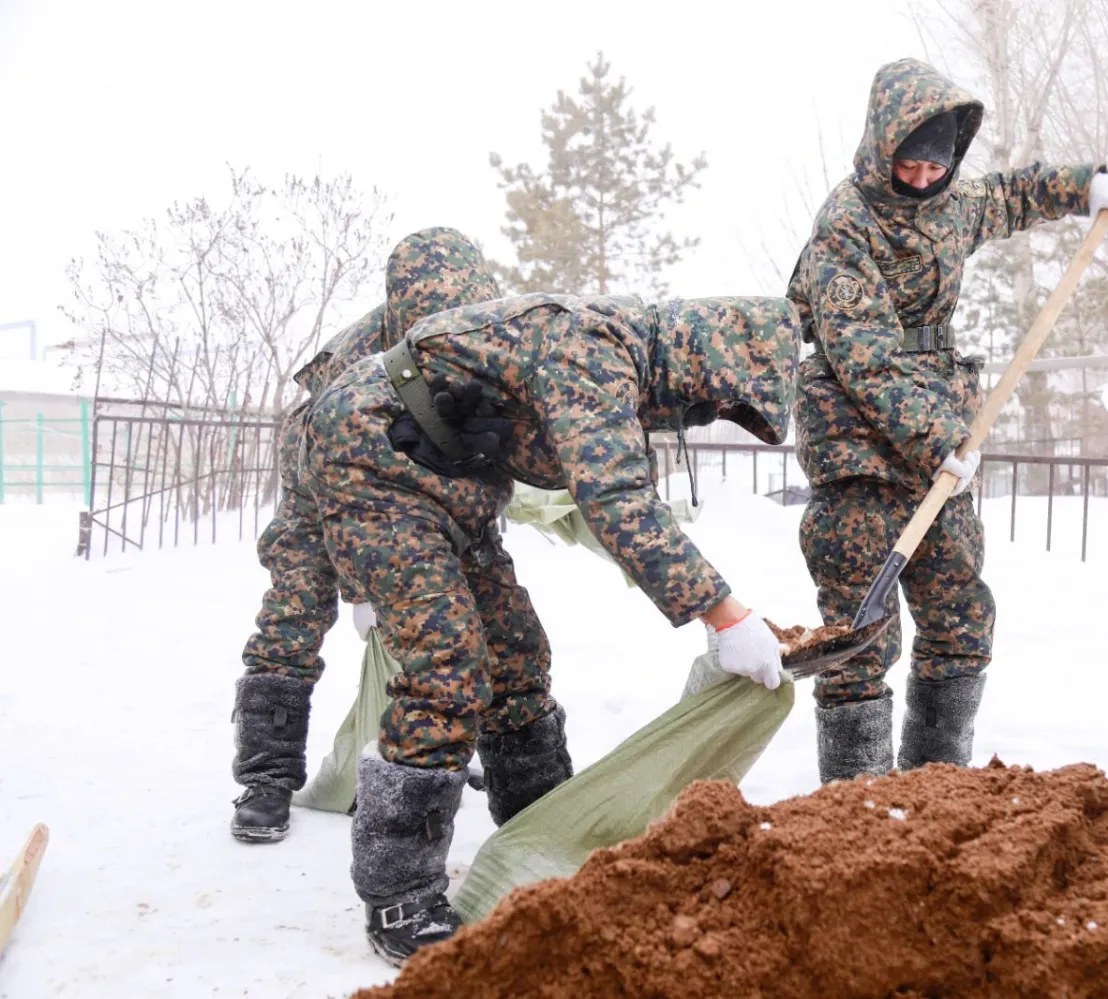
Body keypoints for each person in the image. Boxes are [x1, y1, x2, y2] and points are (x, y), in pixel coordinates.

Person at [301, 291, 797, 964]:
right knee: (445, 662)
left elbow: (610, 493)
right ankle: (399, 893)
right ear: (702, 358)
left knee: (515, 648)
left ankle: (539, 820)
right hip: (375, 457)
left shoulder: (622, 359)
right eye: (709, 402)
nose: (700, 415)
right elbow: (618, 498)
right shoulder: (592, 351)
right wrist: (724, 612)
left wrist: (711, 605)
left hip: (450, 476)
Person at [787, 58, 1108, 784]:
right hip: (857, 440)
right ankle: (856, 813)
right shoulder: (844, 226)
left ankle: (937, 792)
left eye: (934, 165)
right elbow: (866, 358)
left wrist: (1082, 187)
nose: (921, 178)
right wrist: (941, 437)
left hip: (937, 435)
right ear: (883, 147)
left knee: (960, 616)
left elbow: (1011, 194)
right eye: (908, 163)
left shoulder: (952, 202)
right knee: (858, 638)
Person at [229, 227, 500, 843]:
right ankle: (266, 780)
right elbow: (341, 488)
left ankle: (454, 741)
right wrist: (359, 588)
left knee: (453, 613)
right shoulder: (358, 360)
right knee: (293, 611)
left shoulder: (477, 339)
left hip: (415, 480)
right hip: (321, 477)